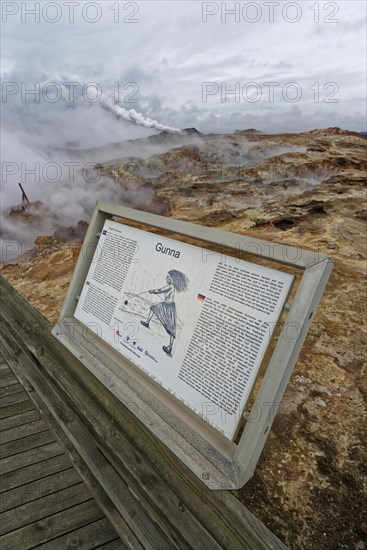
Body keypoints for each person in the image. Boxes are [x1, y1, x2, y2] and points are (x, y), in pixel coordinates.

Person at [140, 270, 189, 356]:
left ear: (172, 279)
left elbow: (160, 290)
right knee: (153, 307)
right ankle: (147, 322)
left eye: (168, 277)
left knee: (171, 328)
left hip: (168, 307)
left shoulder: (170, 287)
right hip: (168, 305)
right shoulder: (171, 286)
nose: (166, 278)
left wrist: (152, 291)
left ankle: (170, 347)